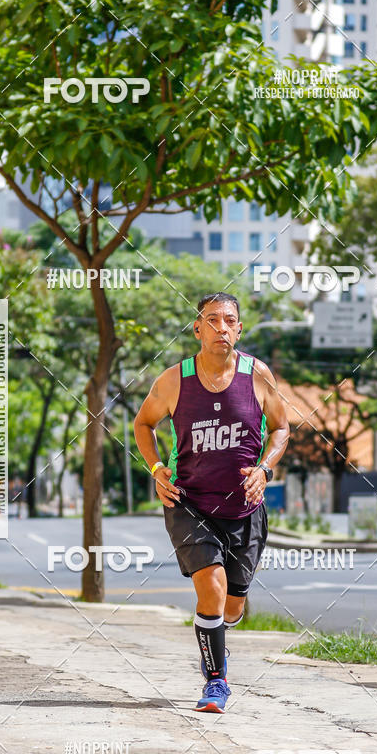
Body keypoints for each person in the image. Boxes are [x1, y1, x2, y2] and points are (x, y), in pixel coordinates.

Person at [134, 292, 289, 713]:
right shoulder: (173, 381)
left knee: (233, 603)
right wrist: (155, 469)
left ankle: (221, 628)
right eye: (213, 320)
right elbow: (143, 423)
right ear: (198, 329)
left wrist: (265, 469)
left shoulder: (258, 374)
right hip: (189, 502)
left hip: (244, 507)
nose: (222, 327)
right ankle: (216, 680)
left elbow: (281, 428)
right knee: (212, 587)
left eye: (230, 320)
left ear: (239, 329)